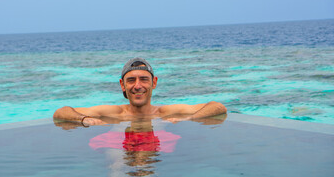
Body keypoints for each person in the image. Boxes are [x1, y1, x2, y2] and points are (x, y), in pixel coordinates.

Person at [53, 57, 227, 126]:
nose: (137, 86)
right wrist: (84, 119)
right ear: (122, 85)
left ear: (154, 83)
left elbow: (218, 107)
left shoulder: (166, 112)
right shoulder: (113, 113)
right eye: (131, 80)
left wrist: (190, 118)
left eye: (144, 79)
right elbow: (61, 112)